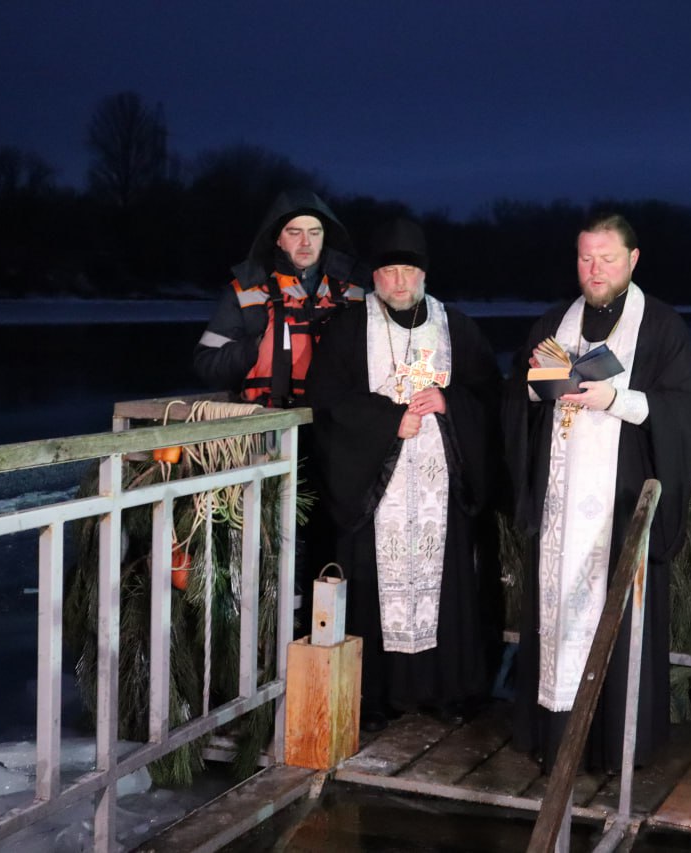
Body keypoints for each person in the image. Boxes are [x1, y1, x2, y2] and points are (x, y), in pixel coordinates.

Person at [506, 212, 691, 771]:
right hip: (559, 507)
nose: (594, 270)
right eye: (585, 258)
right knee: (555, 613)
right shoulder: (555, 323)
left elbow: (686, 414)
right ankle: (553, 737)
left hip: (621, 508)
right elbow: (516, 401)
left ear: (633, 259)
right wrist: (535, 388)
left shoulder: (662, 326)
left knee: (617, 613)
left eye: (607, 258)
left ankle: (617, 745)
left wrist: (615, 400)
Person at [308, 217, 501, 731]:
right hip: (375, 490)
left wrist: (448, 402)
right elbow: (325, 404)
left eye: (408, 271)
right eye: (389, 271)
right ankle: (374, 696)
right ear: (374, 276)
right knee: (372, 586)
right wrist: (388, 422)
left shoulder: (456, 327)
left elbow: (490, 396)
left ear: (424, 274)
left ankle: (446, 690)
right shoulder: (348, 329)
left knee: (445, 587)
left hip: (441, 491)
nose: (399, 281)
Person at [193, 189, 366, 407]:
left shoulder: (357, 292)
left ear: (324, 237)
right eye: (294, 233)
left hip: (337, 418)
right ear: (278, 239)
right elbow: (206, 365)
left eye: (314, 233)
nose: (306, 242)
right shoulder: (243, 290)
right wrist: (255, 347)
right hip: (270, 418)